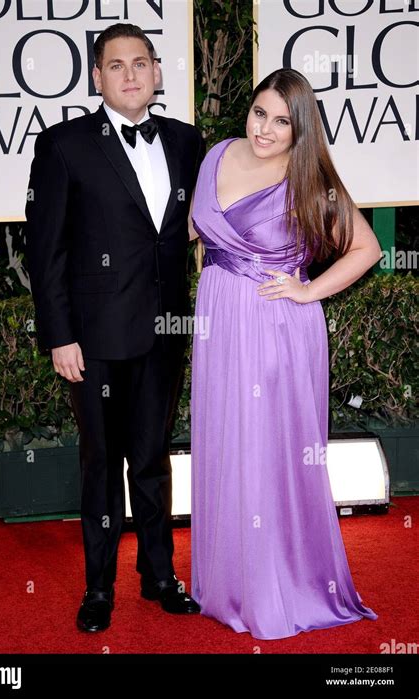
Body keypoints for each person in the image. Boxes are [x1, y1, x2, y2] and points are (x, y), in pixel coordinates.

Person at [189, 68, 381, 640]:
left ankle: (276, 584)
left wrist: (306, 289)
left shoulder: (307, 179)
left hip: (275, 325)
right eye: (259, 113)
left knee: (269, 449)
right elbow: (203, 233)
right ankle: (227, 581)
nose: (266, 130)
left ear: (301, 130)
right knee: (226, 442)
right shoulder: (217, 154)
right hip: (219, 321)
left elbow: (366, 248)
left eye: (281, 121)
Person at [25, 23, 205, 633]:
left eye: (141, 63)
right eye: (115, 65)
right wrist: (59, 334)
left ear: (157, 72)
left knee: (153, 460)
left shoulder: (186, 142)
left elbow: (195, 225)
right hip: (94, 338)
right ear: (97, 77)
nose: (130, 74)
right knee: (101, 462)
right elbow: (45, 250)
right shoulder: (65, 145)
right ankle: (98, 588)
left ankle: (159, 575)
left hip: (164, 332)